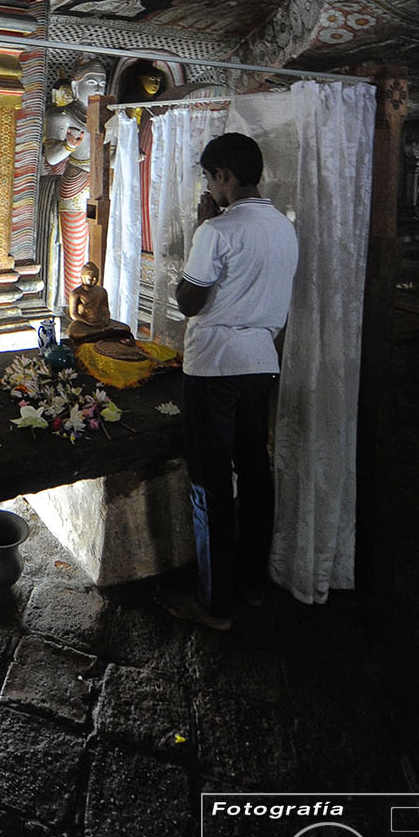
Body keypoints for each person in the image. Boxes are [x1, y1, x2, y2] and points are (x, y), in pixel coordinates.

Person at [163, 132, 298, 631]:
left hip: (215, 365)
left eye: (209, 178)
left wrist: (204, 227)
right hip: (261, 361)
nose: (209, 188)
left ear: (224, 175)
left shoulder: (217, 230)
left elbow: (188, 301)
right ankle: (252, 584)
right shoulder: (284, 229)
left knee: (210, 481)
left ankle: (215, 603)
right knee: (255, 472)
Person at [41, 60, 107, 301]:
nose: (98, 87)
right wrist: (68, 146)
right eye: (92, 81)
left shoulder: (110, 115)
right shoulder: (61, 115)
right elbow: (51, 157)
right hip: (76, 180)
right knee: (76, 247)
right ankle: (73, 300)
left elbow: (111, 152)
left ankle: (99, 299)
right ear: (75, 86)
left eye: (102, 82)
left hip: (104, 182)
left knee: (103, 242)